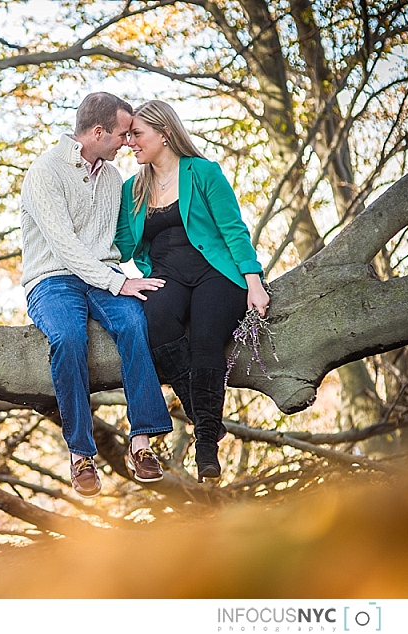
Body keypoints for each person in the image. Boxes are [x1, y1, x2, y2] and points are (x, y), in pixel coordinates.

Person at [21, 92, 173, 497]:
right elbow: (64, 245)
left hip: (102, 276)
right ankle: (81, 455)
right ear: (98, 131)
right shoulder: (45, 172)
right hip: (51, 278)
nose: (128, 141)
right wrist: (117, 282)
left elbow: (119, 243)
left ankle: (142, 442)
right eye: (123, 134)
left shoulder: (111, 179)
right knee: (69, 338)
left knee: (135, 321)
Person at [115, 100, 269, 482]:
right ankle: (208, 418)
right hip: (166, 276)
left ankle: (205, 445)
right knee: (156, 321)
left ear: (164, 134)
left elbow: (233, 229)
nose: (130, 142)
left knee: (204, 339)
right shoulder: (131, 189)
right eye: (129, 135)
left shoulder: (203, 172)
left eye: (137, 134)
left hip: (216, 274)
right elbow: (117, 244)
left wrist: (254, 282)